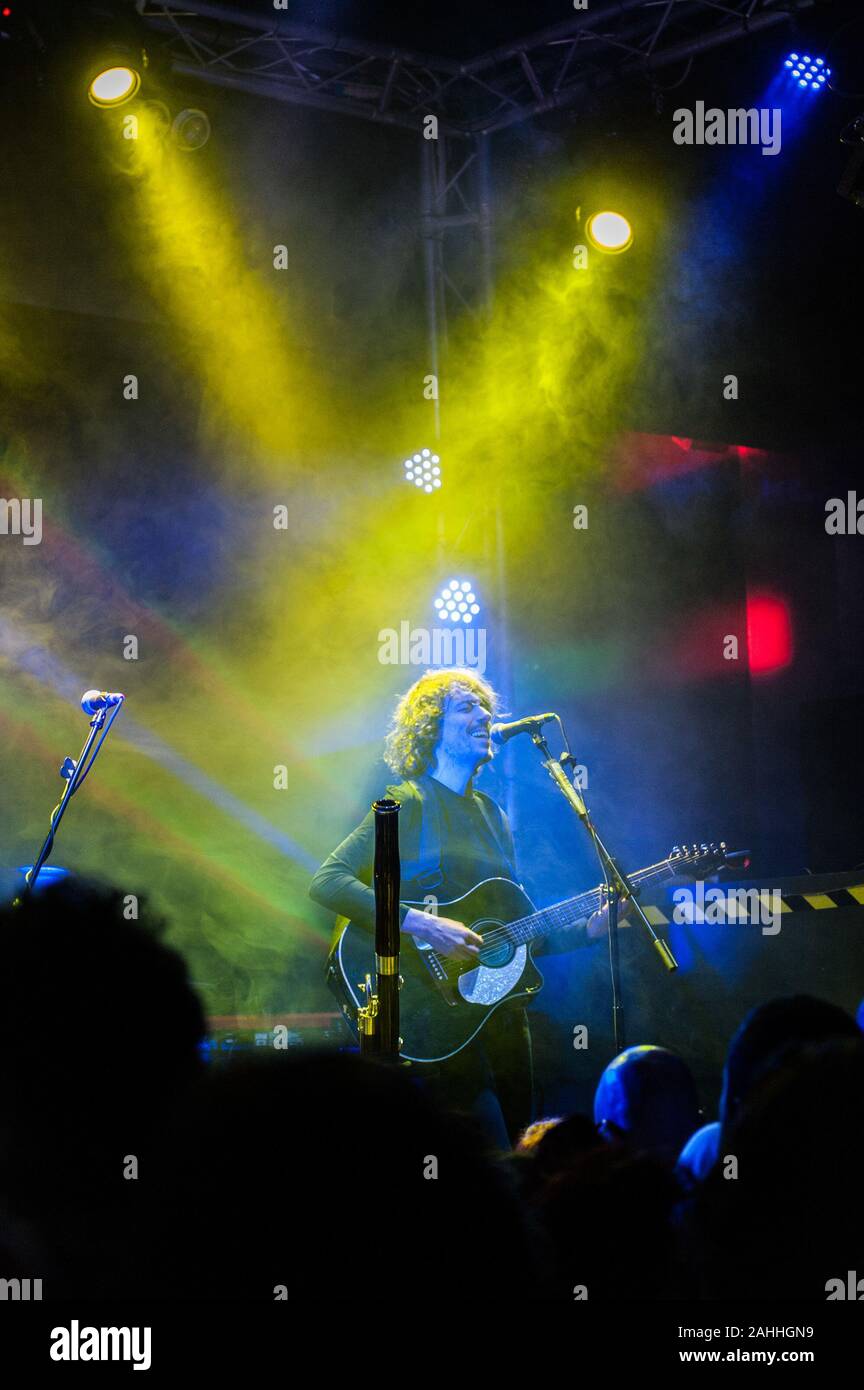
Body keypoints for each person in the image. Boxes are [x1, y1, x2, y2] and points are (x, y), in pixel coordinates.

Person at [309, 667, 608, 1150]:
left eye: (484, 706)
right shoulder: (405, 802)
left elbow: (509, 936)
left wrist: (586, 933)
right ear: (430, 727)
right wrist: (423, 923)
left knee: (522, 1150)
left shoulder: (493, 814)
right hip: (429, 1017)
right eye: (466, 706)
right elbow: (328, 882)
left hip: (502, 1016)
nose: (484, 714)